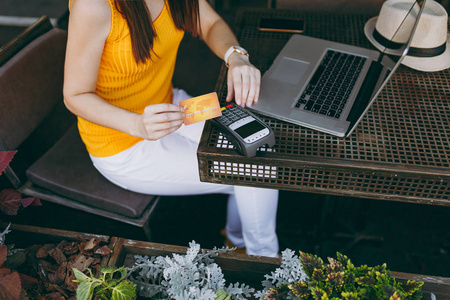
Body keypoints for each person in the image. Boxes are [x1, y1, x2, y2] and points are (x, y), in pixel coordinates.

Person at [63, 0, 279, 257]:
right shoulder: (93, 6)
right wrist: (136, 124)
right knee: (254, 171)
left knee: (260, 150)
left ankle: (239, 243)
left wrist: (236, 57)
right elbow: (74, 95)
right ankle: (264, 263)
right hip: (123, 140)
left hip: (172, 104)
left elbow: (211, 23)